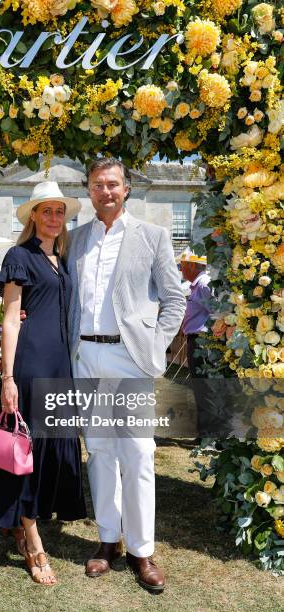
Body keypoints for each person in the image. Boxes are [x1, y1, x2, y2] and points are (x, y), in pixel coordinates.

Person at [67, 158, 186, 593]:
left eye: (113, 184)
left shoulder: (152, 237)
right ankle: (106, 541)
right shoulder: (75, 239)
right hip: (87, 359)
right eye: (98, 185)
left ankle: (142, 549)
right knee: (99, 451)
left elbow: (174, 298)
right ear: (89, 190)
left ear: (127, 188)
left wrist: (155, 346)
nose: (106, 191)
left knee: (137, 453)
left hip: (129, 358)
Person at [0, 181, 86, 585]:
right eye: (47, 211)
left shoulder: (63, 258)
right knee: (28, 450)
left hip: (60, 366)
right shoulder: (19, 256)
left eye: (60, 211)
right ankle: (34, 542)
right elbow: (10, 317)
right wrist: (7, 377)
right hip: (29, 365)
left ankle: (25, 522)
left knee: (53, 450)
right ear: (33, 216)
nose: (54, 218)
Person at [179, 250, 214, 436]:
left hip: (203, 341)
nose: (181, 270)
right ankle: (205, 433)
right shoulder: (197, 285)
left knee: (205, 387)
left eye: (182, 265)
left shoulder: (204, 284)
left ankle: (209, 435)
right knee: (201, 387)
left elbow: (217, 312)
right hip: (197, 340)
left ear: (192, 265)